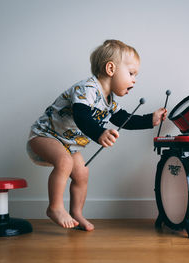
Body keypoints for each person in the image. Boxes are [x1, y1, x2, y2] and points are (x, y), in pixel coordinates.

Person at [26, 39, 167, 231]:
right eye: (132, 73)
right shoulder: (88, 89)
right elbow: (82, 116)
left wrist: (151, 119)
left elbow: (124, 120)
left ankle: (76, 214)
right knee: (65, 162)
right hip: (45, 135)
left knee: (82, 172)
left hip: (69, 144)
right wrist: (100, 133)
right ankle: (55, 207)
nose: (134, 79)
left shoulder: (109, 101)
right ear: (111, 69)